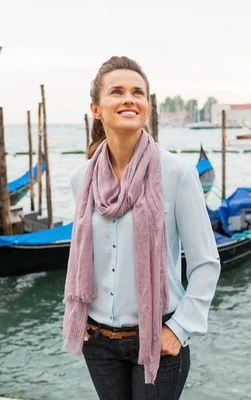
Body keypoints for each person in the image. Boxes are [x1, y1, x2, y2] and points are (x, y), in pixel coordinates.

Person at [62, 56, 221, 400]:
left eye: (138, 92)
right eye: (116, 92)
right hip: (99, 343)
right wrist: (83, 318)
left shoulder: (177, 173)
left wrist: (178, 330)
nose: (128, 99)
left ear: (147, 107)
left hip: (158, 339)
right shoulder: (81, 179)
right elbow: (85, 259)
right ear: (97, 108)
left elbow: (206, 263)